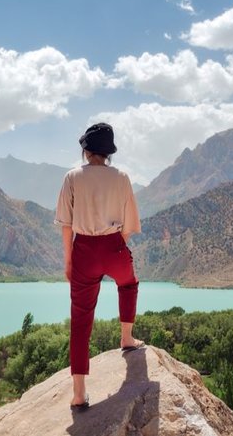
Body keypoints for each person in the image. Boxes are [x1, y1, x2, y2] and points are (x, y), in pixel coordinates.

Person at [54, 122, 143, 410]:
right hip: (113, 244)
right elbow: (129, 224)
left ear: (85, 150)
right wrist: (116, 243)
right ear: (109, 153)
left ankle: (79, 393)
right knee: (128, 284)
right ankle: (127, 337)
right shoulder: (122, 177)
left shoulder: (72, 177)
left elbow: (66, 225)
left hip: (83, 250)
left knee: (81, 320)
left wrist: (69, 260)